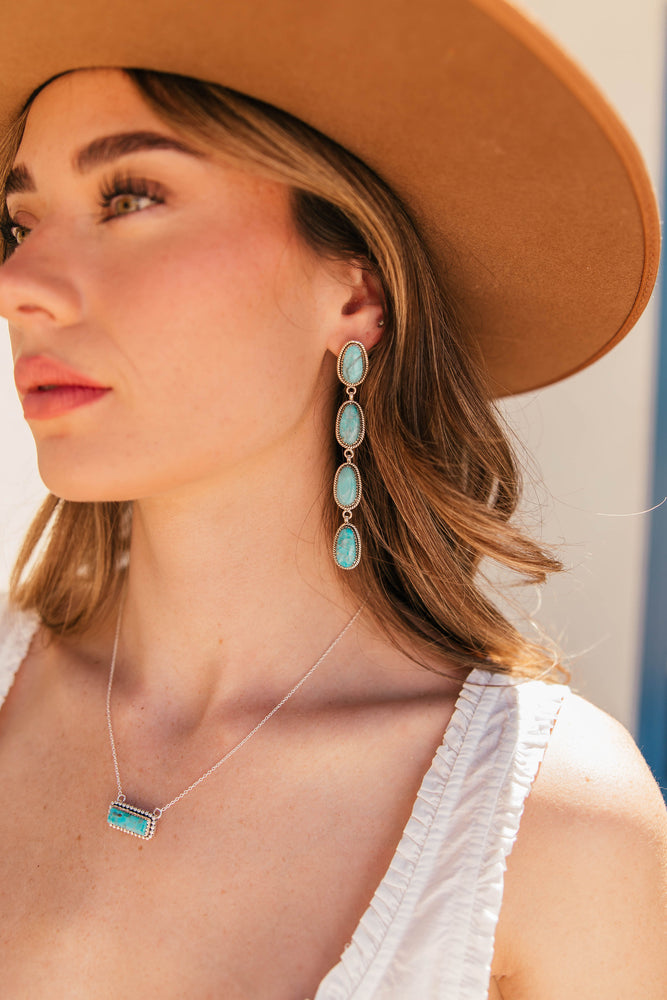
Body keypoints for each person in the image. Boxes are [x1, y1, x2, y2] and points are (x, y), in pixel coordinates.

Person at [0, 2, 665, 998]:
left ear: (353, 292)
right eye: (20, 223)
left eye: (129, 198)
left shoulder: (552, 825)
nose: (20, 282)